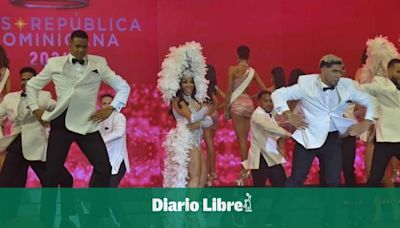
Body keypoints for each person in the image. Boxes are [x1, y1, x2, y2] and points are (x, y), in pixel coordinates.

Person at [26, 30, 130, 188]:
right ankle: (47, 214)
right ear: (70, 45)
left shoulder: (98, 63)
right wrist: (35, 109)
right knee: (52, 175)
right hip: (61, 121)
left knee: (104, 168)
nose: (81, 50)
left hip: (87, 122)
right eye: (77, 46)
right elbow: (32, 85)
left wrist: (112, 108)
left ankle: (97, 212)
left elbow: (123, 87)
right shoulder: (55, 63)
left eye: (84, 46)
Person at [271, 54, 377, 187]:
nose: (339, 75)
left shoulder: (346, 85)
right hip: (307, 137)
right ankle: (280, 208)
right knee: (297, 178)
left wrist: (367, 122)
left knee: (333, 182)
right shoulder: (306, 84)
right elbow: (278, 94)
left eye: (340, 71)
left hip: (332, 140)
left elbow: (371, 101)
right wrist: (289, 114)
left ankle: (331, 208)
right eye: (334, 71)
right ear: (323, 70)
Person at [0, 67, 73, 227]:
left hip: (38, 147)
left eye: (29, 79)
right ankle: (4, 220)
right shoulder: (10, 98)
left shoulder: (44, 97)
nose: (26, 82)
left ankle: (50, 220)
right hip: (16, 145)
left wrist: (48, 119)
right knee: (6, 185)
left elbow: (60, 110)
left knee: (60, 180)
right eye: (23, 79)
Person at [158, 41, 213, 188]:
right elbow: (192, 118)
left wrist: (202, 120)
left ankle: (193, 208)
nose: (188, 85)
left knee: (202, 178)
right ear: (179, 84)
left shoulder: (194, 100)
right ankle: (190, 210)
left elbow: (209, 121)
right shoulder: (177, 100)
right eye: (185, 82)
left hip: (196, 139)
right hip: (186, 139)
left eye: (191, 82)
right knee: (194, 178)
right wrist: (204, 112)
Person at [224, 45, 267, 186]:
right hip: (248, 104)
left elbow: (229, 91)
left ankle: (244, 172)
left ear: (237, 55)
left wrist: (226, 109)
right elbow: (264, 89)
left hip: (237, 104)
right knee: (247, 140)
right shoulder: (252, 72)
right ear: (248, 56)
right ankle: (248, 170)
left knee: (241, 140)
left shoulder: (232, 70)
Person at [361, 59, 400, 186]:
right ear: (389, 72)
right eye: (398, 71)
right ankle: (368, 205)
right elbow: (363, 89)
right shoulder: (381, 87)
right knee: (374, 178)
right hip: (385, 142)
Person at [243, 90, 290, 187]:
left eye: (271, 101)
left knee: (282, 186)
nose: (269, 103)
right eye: (266, 101)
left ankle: (277, 202)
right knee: (260, 190)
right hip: (260, 157)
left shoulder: (269, 115)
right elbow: (271, 128)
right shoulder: (258, 115)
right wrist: (289, 135)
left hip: (270, 156)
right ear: (259, 102)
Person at [89, 94, 131, 187]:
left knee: (109, 191)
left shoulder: (119, 117)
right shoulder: (99, 119)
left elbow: (119, 132)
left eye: (110, 103)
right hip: (102, 161)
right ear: (100, 105)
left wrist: (100, 141)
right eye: (104, 103)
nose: (107, 106)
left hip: (117, 161)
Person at [203, 64, 225, 186]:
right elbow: (226, 98)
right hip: (214, 116)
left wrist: (209, 111)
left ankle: (211, 173)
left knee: (208, 145)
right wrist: (217, 109)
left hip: (206, 115)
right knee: (210, 144)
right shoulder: (214, 87)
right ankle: (211, 171)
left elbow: (216, 101)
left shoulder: (202, 86)